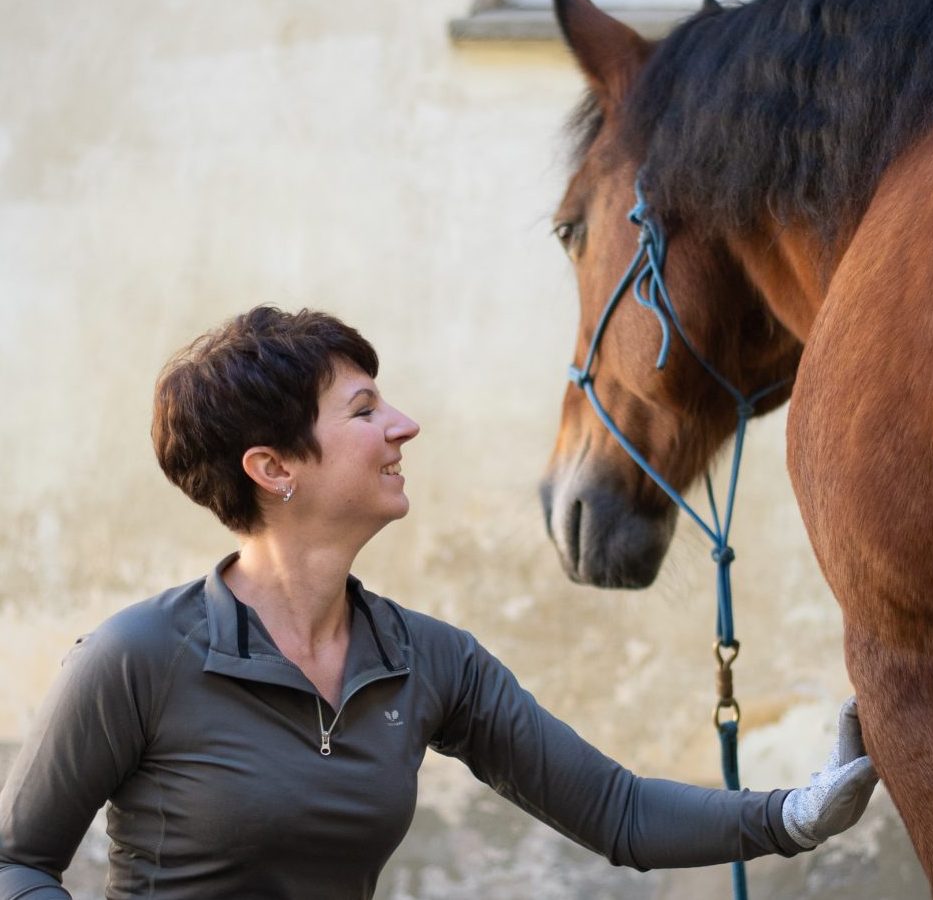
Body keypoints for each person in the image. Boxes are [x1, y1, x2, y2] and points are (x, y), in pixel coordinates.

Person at [0, 306, 877, 899]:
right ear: (273, 469)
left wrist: (793, 814)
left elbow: (617, 810)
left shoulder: (428, 661)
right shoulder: (138, 658)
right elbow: (17, 864)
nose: (403, 426)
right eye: (364, 409)